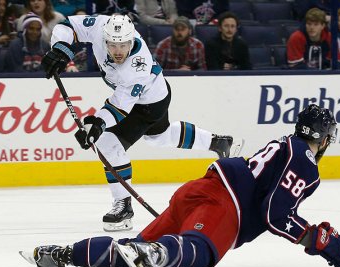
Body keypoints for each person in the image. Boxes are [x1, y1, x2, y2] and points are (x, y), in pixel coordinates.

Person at [23, 104, 340, 267]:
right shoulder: (305, 162)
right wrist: (316, 238)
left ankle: (60, 253)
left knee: (131, 254)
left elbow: (275, 205)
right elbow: (274, 213)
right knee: (201, 254)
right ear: (324, 137)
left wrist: (313, 235)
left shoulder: (284, 145)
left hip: (198, 191)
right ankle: (157, 252)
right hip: (226, 204)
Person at [41, 14, 242, 232]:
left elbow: (119, 107)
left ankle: (124, 207)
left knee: (108, 144)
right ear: (104, 38)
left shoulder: (137, 67)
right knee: (159, 137)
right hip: (158, 92)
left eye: (124, 45)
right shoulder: (101, 26)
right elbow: (67, 25)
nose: (118, 51)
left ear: (132, 40)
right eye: (112, 45)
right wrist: (61, 48)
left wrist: (97, 125)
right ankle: (216, 142)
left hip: (147, 103)